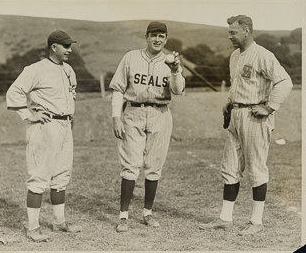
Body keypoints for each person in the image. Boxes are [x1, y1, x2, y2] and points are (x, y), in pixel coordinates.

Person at [198, 15, 293, 235]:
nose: (229, 36)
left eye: (233, 32)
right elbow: (238, 84)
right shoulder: (234, 56)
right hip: (236, 115)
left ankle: (256, 221)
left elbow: (284, 81)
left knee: (256, 168)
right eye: (229, 32)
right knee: (230, 168)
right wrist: (229, 103)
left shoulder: (263, 55)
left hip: (255, 115)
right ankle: (225, 218)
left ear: (247, 31)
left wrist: (269, 108)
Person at [109, 21, 185, 232]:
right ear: (146, 37)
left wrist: (176, 70)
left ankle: (147, 213)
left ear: (166, 39)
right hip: (133, 111)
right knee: (130, 164)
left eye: (162, 36)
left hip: (160, 113)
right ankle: (123, 216)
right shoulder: (131, 57)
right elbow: (117, 89)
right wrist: (116, 117)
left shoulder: (172, 61)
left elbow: (178, 90)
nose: (158, 39)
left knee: (154, 165)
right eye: (154, 35)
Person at [6, 30, 81, 242]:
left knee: (61, 175)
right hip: (44, 126)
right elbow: (14, 92)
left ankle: (59, 222)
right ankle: (33, 228)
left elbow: (71, 95)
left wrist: (69, 118)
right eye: (65, 46)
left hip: (64, 124)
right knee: (40, 176)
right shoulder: (35, 69)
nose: (69, 50)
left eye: (70, 46)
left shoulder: (68, 70)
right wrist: (30, 115)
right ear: (53, 47)